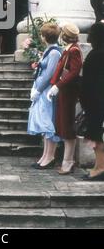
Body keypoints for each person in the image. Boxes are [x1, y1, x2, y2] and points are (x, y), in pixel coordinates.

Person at [47, 23, 83, 175]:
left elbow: (73, 72)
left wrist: (58, 85)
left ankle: (68, 162)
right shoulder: (69, 49)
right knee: (63, 125)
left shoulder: (74, 50)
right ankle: (66, 161)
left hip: (68, 92)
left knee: (67, 126)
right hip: (64, 92)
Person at [27, 23, 62, 169]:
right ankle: (45, 155)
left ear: (44, 37)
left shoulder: (54, 52)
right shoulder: (49, 51)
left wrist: (39, 90)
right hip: (42, 89)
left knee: (48, 123)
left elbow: (49, 74)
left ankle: (50, 157)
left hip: (47, 91)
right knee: (44, 123)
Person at [80, 22, 104, 181]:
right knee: (96, 135)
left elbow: (90, 81)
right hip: (97, 100)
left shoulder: (96, 54)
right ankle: (98, 166)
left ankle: (100, 167)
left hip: (96, 101)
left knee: (95, 136)